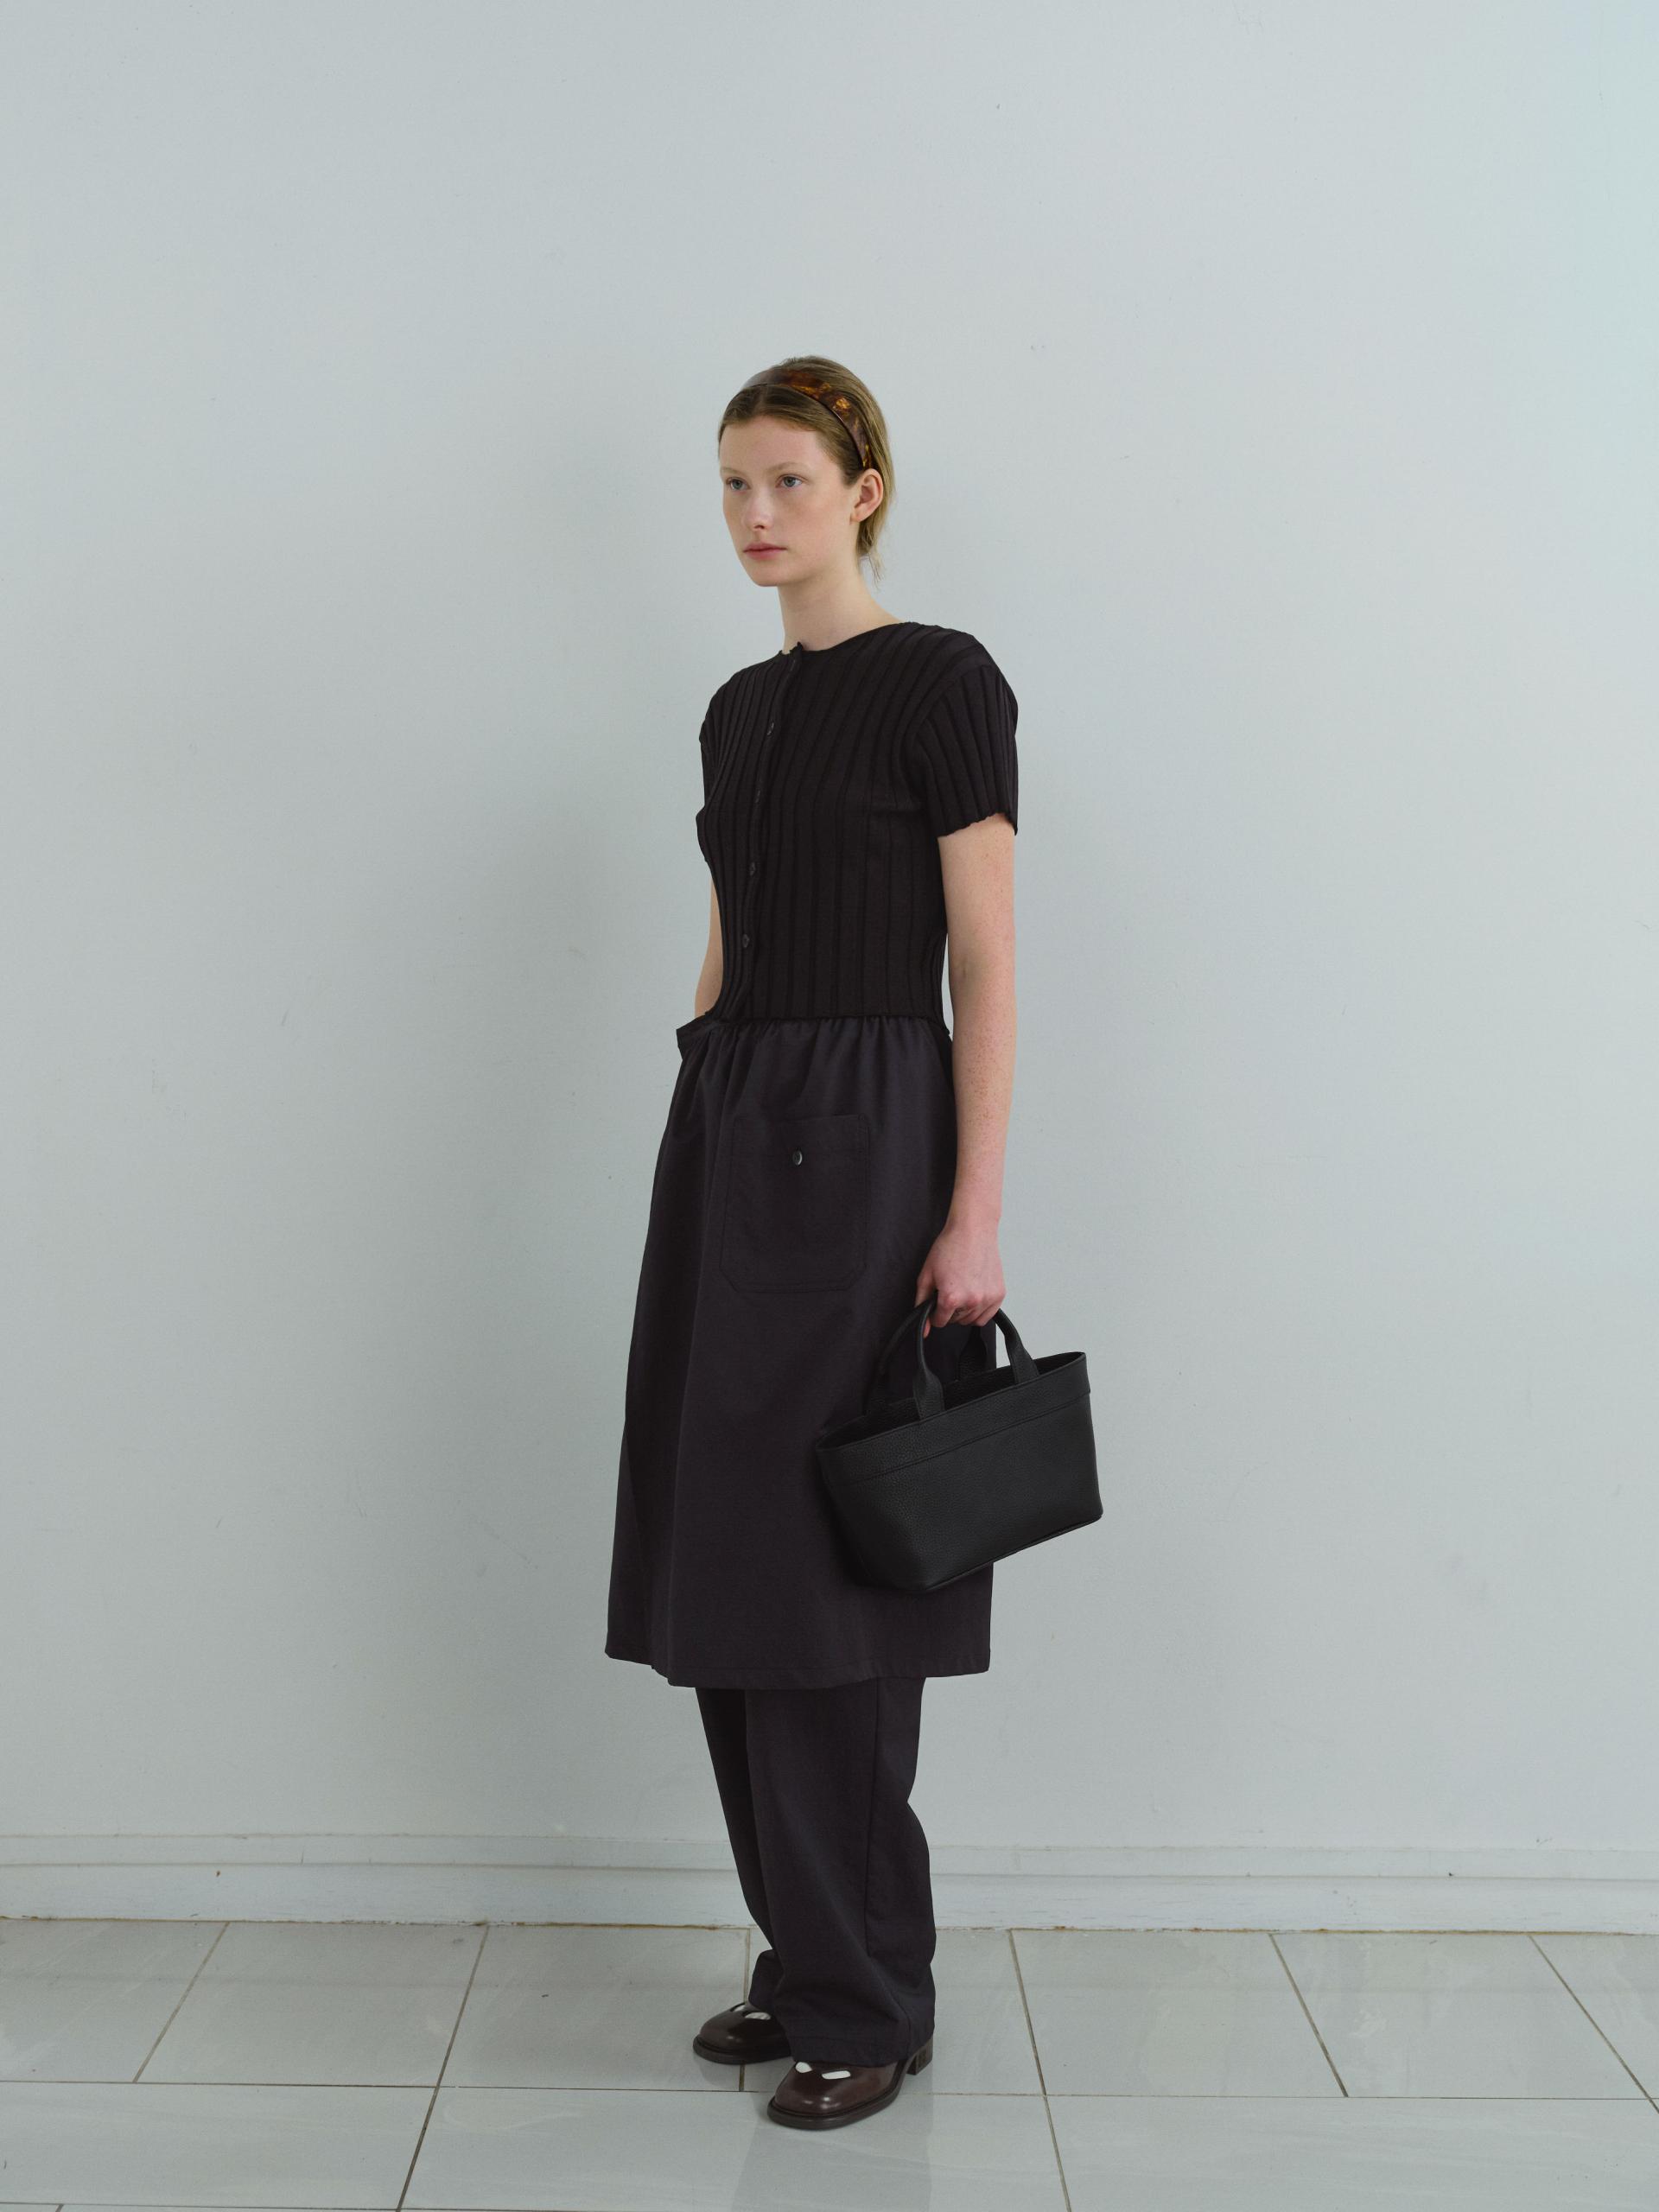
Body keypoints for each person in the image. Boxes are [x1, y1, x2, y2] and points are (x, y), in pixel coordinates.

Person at [605, 355, 1019, 2130]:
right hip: (734, 1133)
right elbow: (728, 923)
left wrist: (971, 1208)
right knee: (727, 1555)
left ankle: (868, 1996)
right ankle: (807, 1951)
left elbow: (984, 956)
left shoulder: (943, 680)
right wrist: (705, 1058)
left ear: (864, 488)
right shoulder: (737, 709)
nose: (754, 514)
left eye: (785, 479)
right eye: (730, 483)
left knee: (832, 1569)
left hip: (867, 1137)